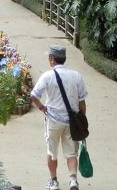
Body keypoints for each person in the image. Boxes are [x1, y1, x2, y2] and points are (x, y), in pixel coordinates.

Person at [30, 46, 88, 190]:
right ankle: (73, 180)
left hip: (53, 120)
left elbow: (33, 95)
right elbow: (82, 102)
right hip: (71, 121)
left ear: (52, 59)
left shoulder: (47, 76)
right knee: (71, 153)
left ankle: (54, 182)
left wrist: (42, 108)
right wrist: (81, 120)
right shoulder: (76, 75)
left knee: (52, 152)